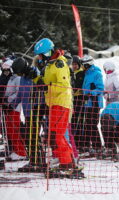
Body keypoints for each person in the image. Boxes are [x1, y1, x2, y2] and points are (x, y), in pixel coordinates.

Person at [34, 38, 83, 177]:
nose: (39, 58)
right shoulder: (50, 65)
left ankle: (67, 164)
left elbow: (63, 86)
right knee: (53, 136)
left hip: (62, 103)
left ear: (47, 53)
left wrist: (46, 87)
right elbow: (47, 83)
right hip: (54, 103)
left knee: (57, 136)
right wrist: (36, 79)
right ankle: (68, 162)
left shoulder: (60, 64)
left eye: (41, 55)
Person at [9, 57, 46, 172]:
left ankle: (37, 162)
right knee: (30, 136)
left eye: (19, 72)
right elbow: (20, 93)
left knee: (32, 136)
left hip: (36, 109)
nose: (18, 75)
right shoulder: (23, 78)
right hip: (27, 112)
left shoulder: (34, 72)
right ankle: (36, 161)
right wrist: (11, 105)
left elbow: (41, 86)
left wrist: (35, 75)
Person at [3, 59, 28, 161]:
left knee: (14, 130)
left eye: (8, 69)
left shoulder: (17, 78)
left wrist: (9, 100)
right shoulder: (11, 78)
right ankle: (16, 150)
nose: (6, 72)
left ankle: (21, 151)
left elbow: (18, 92)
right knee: (10, 130)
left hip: (14, 107)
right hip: (8, 106)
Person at [81, 55, 104, 156]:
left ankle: (98, 147)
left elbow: (100, 88)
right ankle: (90, 146)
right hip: (88, 103)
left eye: (83, 65)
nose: (82, 67)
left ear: (87, 65)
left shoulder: (97, 73)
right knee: (88, 125)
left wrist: (91, 93)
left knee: (92, 125)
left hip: (95, 103)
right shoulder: (86, 73)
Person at [70, 55, 85, 151]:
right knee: (73, 120)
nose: (74, 66)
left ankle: (80, 143)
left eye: (76, 64)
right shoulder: (71, 73)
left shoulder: (81, 73)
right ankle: (74, 141)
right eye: (73, 64)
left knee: (79, 121)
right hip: (72, 99)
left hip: (80, 98)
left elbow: (80, 85)